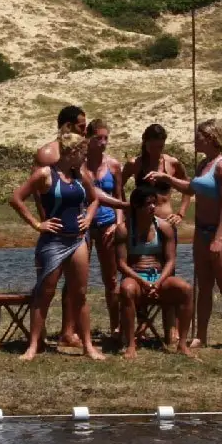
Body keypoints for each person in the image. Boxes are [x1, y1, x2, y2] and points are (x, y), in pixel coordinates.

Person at [9, 132, 106, 361]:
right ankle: (33, 346)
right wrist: (37, 224)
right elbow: (16, 198)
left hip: (77, 239)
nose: (85, 157)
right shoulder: (45, 174)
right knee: (45, 293)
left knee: (79, 294)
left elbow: (95, 199)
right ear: (71, 152)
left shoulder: (81, 175)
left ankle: (88, 346)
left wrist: (89, 217)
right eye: (82, 152)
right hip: (52, 241)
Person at [156, 120, 222, 351]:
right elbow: (191, 188)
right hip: (200, 231)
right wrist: (167, 179)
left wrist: (219, 238)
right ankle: (200, 335)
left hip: (217, 232)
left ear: (211, 137)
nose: (195, 139)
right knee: (203, 284)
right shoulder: (204, 163)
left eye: (199, 136)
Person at [120, 123, 191, 343]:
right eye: (153, 146)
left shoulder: (171, 163)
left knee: (166, 272)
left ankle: (171, 328)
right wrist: (123, 216)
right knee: (138, 268)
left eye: (160, 146)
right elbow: (118, 188)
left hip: (165, 224)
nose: (157, 150)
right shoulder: (135, 164)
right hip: (139, 226)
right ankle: (139, 325)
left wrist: (181, 212)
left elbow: (188, 187)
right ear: (145, 142)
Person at [114, 186, 194, 358]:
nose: (152, 207)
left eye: (153, 203)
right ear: (136, 206)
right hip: (135, 278)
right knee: (127, 289)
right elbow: (121, 263)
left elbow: (171, 260)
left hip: (159, 277)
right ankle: (130, 345)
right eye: (147, 204)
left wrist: (158, 282)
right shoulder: (124, 229)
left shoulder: (164, 227)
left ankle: (182, 345)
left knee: (185, 289)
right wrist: (142, 282)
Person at [31, 106, 88, 345]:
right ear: (67, 125)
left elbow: (90, 191)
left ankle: (69, 330)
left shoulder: (77, 153)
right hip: (54, 230)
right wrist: (41, 222)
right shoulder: (47, 155)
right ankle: (38, 337)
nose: (85, 131)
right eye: (81, 126)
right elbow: (36, 192)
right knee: (47, 285)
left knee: (77, 285)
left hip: (77, 227)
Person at [84, 119, 126, 336]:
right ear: (88, 138)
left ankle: (115, 325)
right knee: (79, 277)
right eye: (98, 138)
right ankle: (75, 328)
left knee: (111, 277)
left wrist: (118, 225)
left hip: (108, 222)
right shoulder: (79, 165)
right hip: (84, 224)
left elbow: (119, 197)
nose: (102, 143)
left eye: (105, 138)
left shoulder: (114, 165)